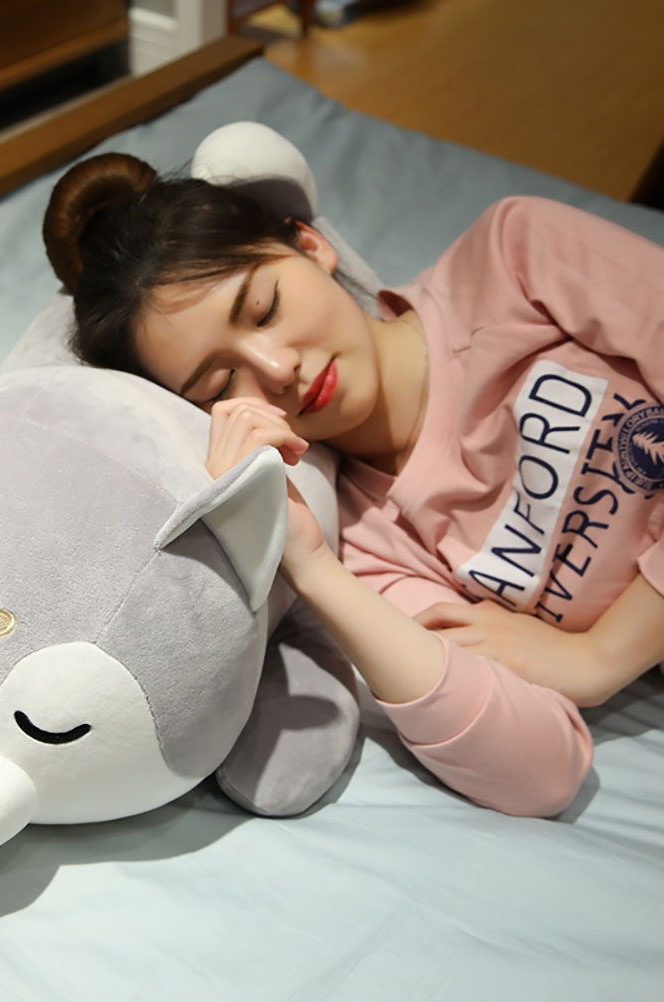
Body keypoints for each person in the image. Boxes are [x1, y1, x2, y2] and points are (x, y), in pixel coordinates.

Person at [42, 151, 664, 818]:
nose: (277, 368)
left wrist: (600, 656)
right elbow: (541, 776)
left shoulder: (515, 259)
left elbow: (587, 672)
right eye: (222, 383)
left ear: (310, 245)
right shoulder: (364, 546)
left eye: (264, 309)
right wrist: (311, 566)